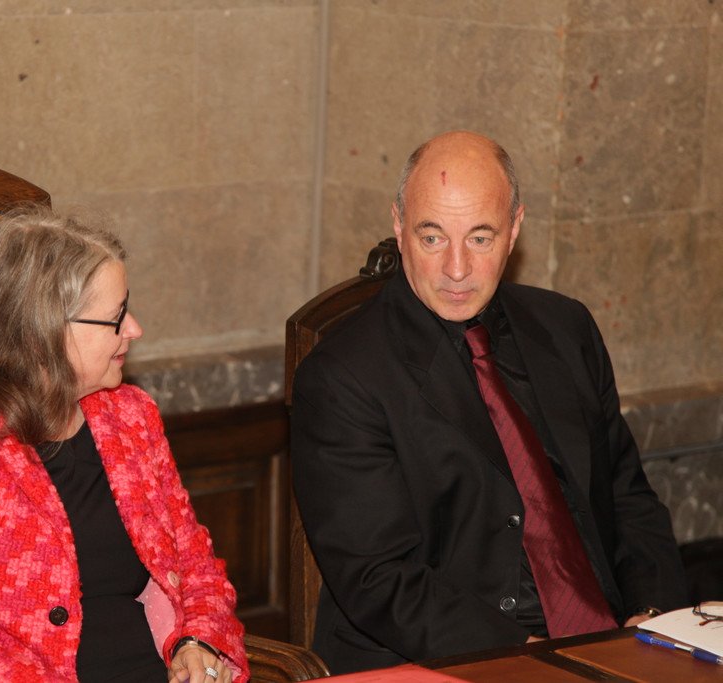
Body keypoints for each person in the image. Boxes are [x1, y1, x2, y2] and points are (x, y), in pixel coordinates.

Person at [290, 131, 688, 673]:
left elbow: (628, 497)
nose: (456, 269)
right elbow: (380, 579)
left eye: (480, 238)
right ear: (399, 226)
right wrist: (534, 662)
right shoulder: (343, 376)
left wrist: (651, 617)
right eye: (432, 237)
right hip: (448, 657)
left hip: (607, 640)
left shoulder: (565, 328)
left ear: (515, 229)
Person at [0, 206, 247, 682]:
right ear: (42, 332)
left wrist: (198, 642)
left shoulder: (131, 417)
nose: (135, 329)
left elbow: (194, 562)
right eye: (115, 318)